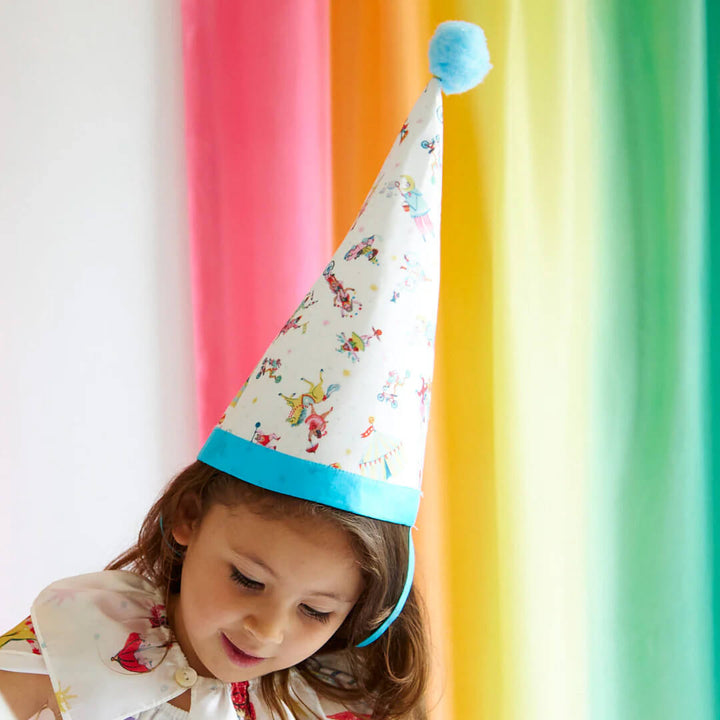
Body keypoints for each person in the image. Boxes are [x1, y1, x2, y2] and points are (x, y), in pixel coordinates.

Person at [0, 20, 491, 720]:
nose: (267, 631)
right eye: (247, 578)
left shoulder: (323, 695)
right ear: (190, 518)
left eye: (317, 611)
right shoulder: (79, 641)